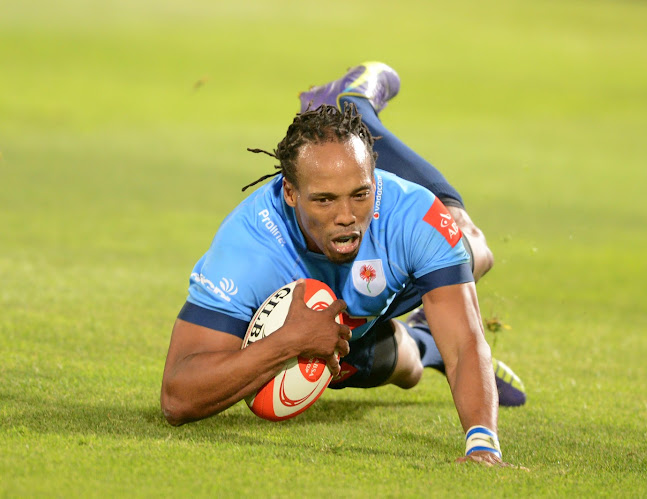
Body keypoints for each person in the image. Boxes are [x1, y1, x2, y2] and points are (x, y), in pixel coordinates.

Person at [161, 62, 525, 467]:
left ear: (376, 179)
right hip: (335, 315)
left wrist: (482, 446)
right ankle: (424, 339)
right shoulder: (249, 248)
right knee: (406, 368)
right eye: (324, 200)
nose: (347, 215)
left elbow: (465, 343)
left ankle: (351, 102)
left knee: (476, 251)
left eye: (360, 194)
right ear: (291, 194)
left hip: (386, 266)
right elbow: (177, 397)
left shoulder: (409, 215)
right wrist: (290, 341)